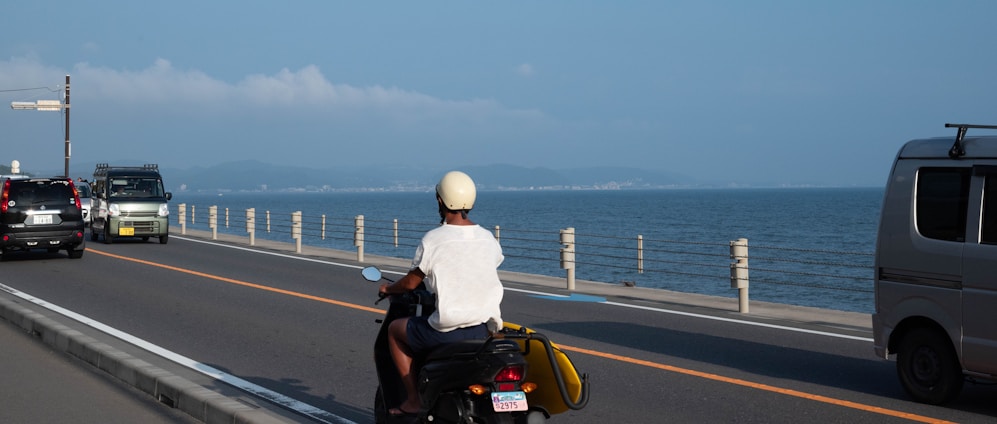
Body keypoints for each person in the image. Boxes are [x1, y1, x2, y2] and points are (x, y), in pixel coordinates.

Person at [378, 170, 505, 417]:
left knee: (394, 331)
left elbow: (410, 284)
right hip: (483, 330)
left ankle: (414, 400)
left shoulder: (434, 239)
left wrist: (387, 288)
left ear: (440, 200)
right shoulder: (488, 238)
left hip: (446, 332)